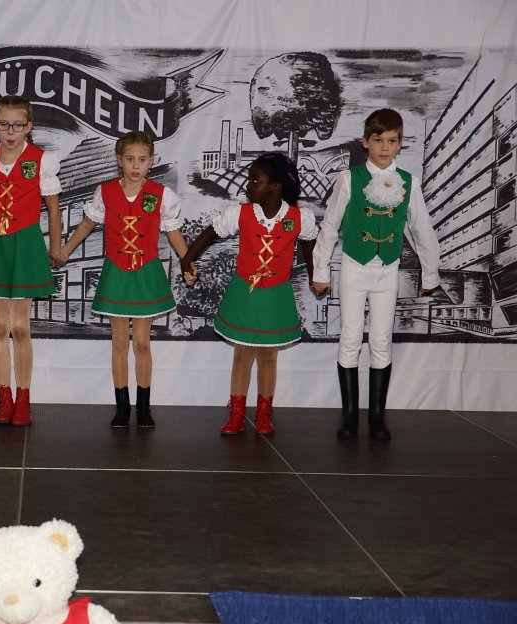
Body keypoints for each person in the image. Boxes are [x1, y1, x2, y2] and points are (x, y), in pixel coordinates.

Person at [311, 108, 440, 441]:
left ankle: (377, 418)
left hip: (388, 271)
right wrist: (321, 269)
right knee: (350, 338)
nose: (385, 147)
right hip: (354, 268)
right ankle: (350, 417)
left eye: (392, 141)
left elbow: (421, 230)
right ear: (365, 142)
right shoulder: (349, 179)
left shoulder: (408, 183)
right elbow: (330, 226)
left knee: (382, 340)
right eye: (379, 140)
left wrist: (430, 273)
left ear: (400, 144)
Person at [58, 131, 189, 428]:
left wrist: (187, 261)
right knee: (119, 343)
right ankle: (121, 407)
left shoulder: (161, 195)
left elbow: (173, 232)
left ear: (151, 161)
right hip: (116, 272)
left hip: (146, 272)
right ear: (119, 160)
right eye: (130, 159)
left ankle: (143, 407)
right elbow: (88, 223)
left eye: (142, 160)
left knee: (141, 343)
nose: (135, 165)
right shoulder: (105, 192)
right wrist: (65, 250)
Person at [180, 152, 317, 435]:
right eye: (249, 179)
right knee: (242, 353)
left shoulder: (297, 218)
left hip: (276, 295)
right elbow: (212, 232)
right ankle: (237, 414)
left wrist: (317, 274)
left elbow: (309, 243)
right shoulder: (240, 214)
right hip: (245, 291)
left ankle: (264, 414)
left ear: (275, 187)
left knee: (268, 356)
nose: (248, 185)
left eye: (255, 180)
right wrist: (187, 259)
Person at [0, 95, 63, 427]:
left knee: (20, 326)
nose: (10, 131)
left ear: (28, 127)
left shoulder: (41, 161)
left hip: (25, 242)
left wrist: (55, 248)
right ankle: (3, 399)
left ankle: (23, 399)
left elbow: (53, 209)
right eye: (4, 124)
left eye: (18, 125)